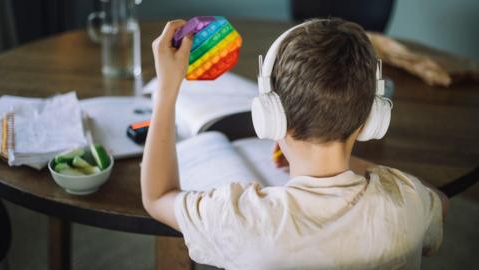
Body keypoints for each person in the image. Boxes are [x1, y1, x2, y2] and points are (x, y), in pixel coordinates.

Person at [141, 18, 448, 269]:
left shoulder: (239, 219)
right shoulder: (408, 202)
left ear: (270, 118)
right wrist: (365, 167)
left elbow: (158, 196)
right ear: (371, 119)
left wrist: (168, 89)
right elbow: (441, 204)